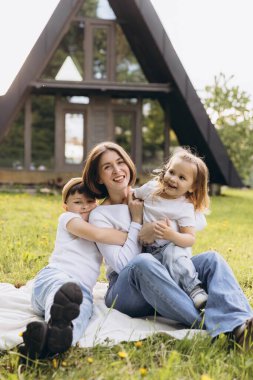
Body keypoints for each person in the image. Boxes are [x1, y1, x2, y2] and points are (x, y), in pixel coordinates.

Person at [83, 141, 253, 350]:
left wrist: (159, 228)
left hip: (163, 271)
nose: (117, 170)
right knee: (143, 262)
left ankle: (241, 326)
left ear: (128, 164)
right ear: (99, 177)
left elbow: (196, 220)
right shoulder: (100, 215)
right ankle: (213, 327)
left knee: (212, 259)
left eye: (120, 162)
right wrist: (138, 225)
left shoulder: (150, 193)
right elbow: (124, 264)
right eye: (107, 167)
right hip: (125, 289)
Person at [20, 177, 140, 360]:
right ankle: (55, 322)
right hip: (54, 277)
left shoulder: (100, 221)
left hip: (79, 291)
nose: (84, 206)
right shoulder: (69, 219)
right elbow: (99, 234)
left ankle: (53, 341)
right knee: (63, 291)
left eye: (90, 201)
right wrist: (135, 233)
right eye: (78, 202)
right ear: (65, 206)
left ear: (97, 203)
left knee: (82, 312)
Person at [133, 147, 209, 309]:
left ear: (192, 187)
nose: (173, 179)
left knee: (174, 252)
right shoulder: (150, 189)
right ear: (165, 171)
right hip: (145, 252)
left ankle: (194, 289)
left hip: (169, 250)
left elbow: (190, 239)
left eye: (182, 178)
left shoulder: (184, 206)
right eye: (172, 172)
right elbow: (132, 194)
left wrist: (171, 235)